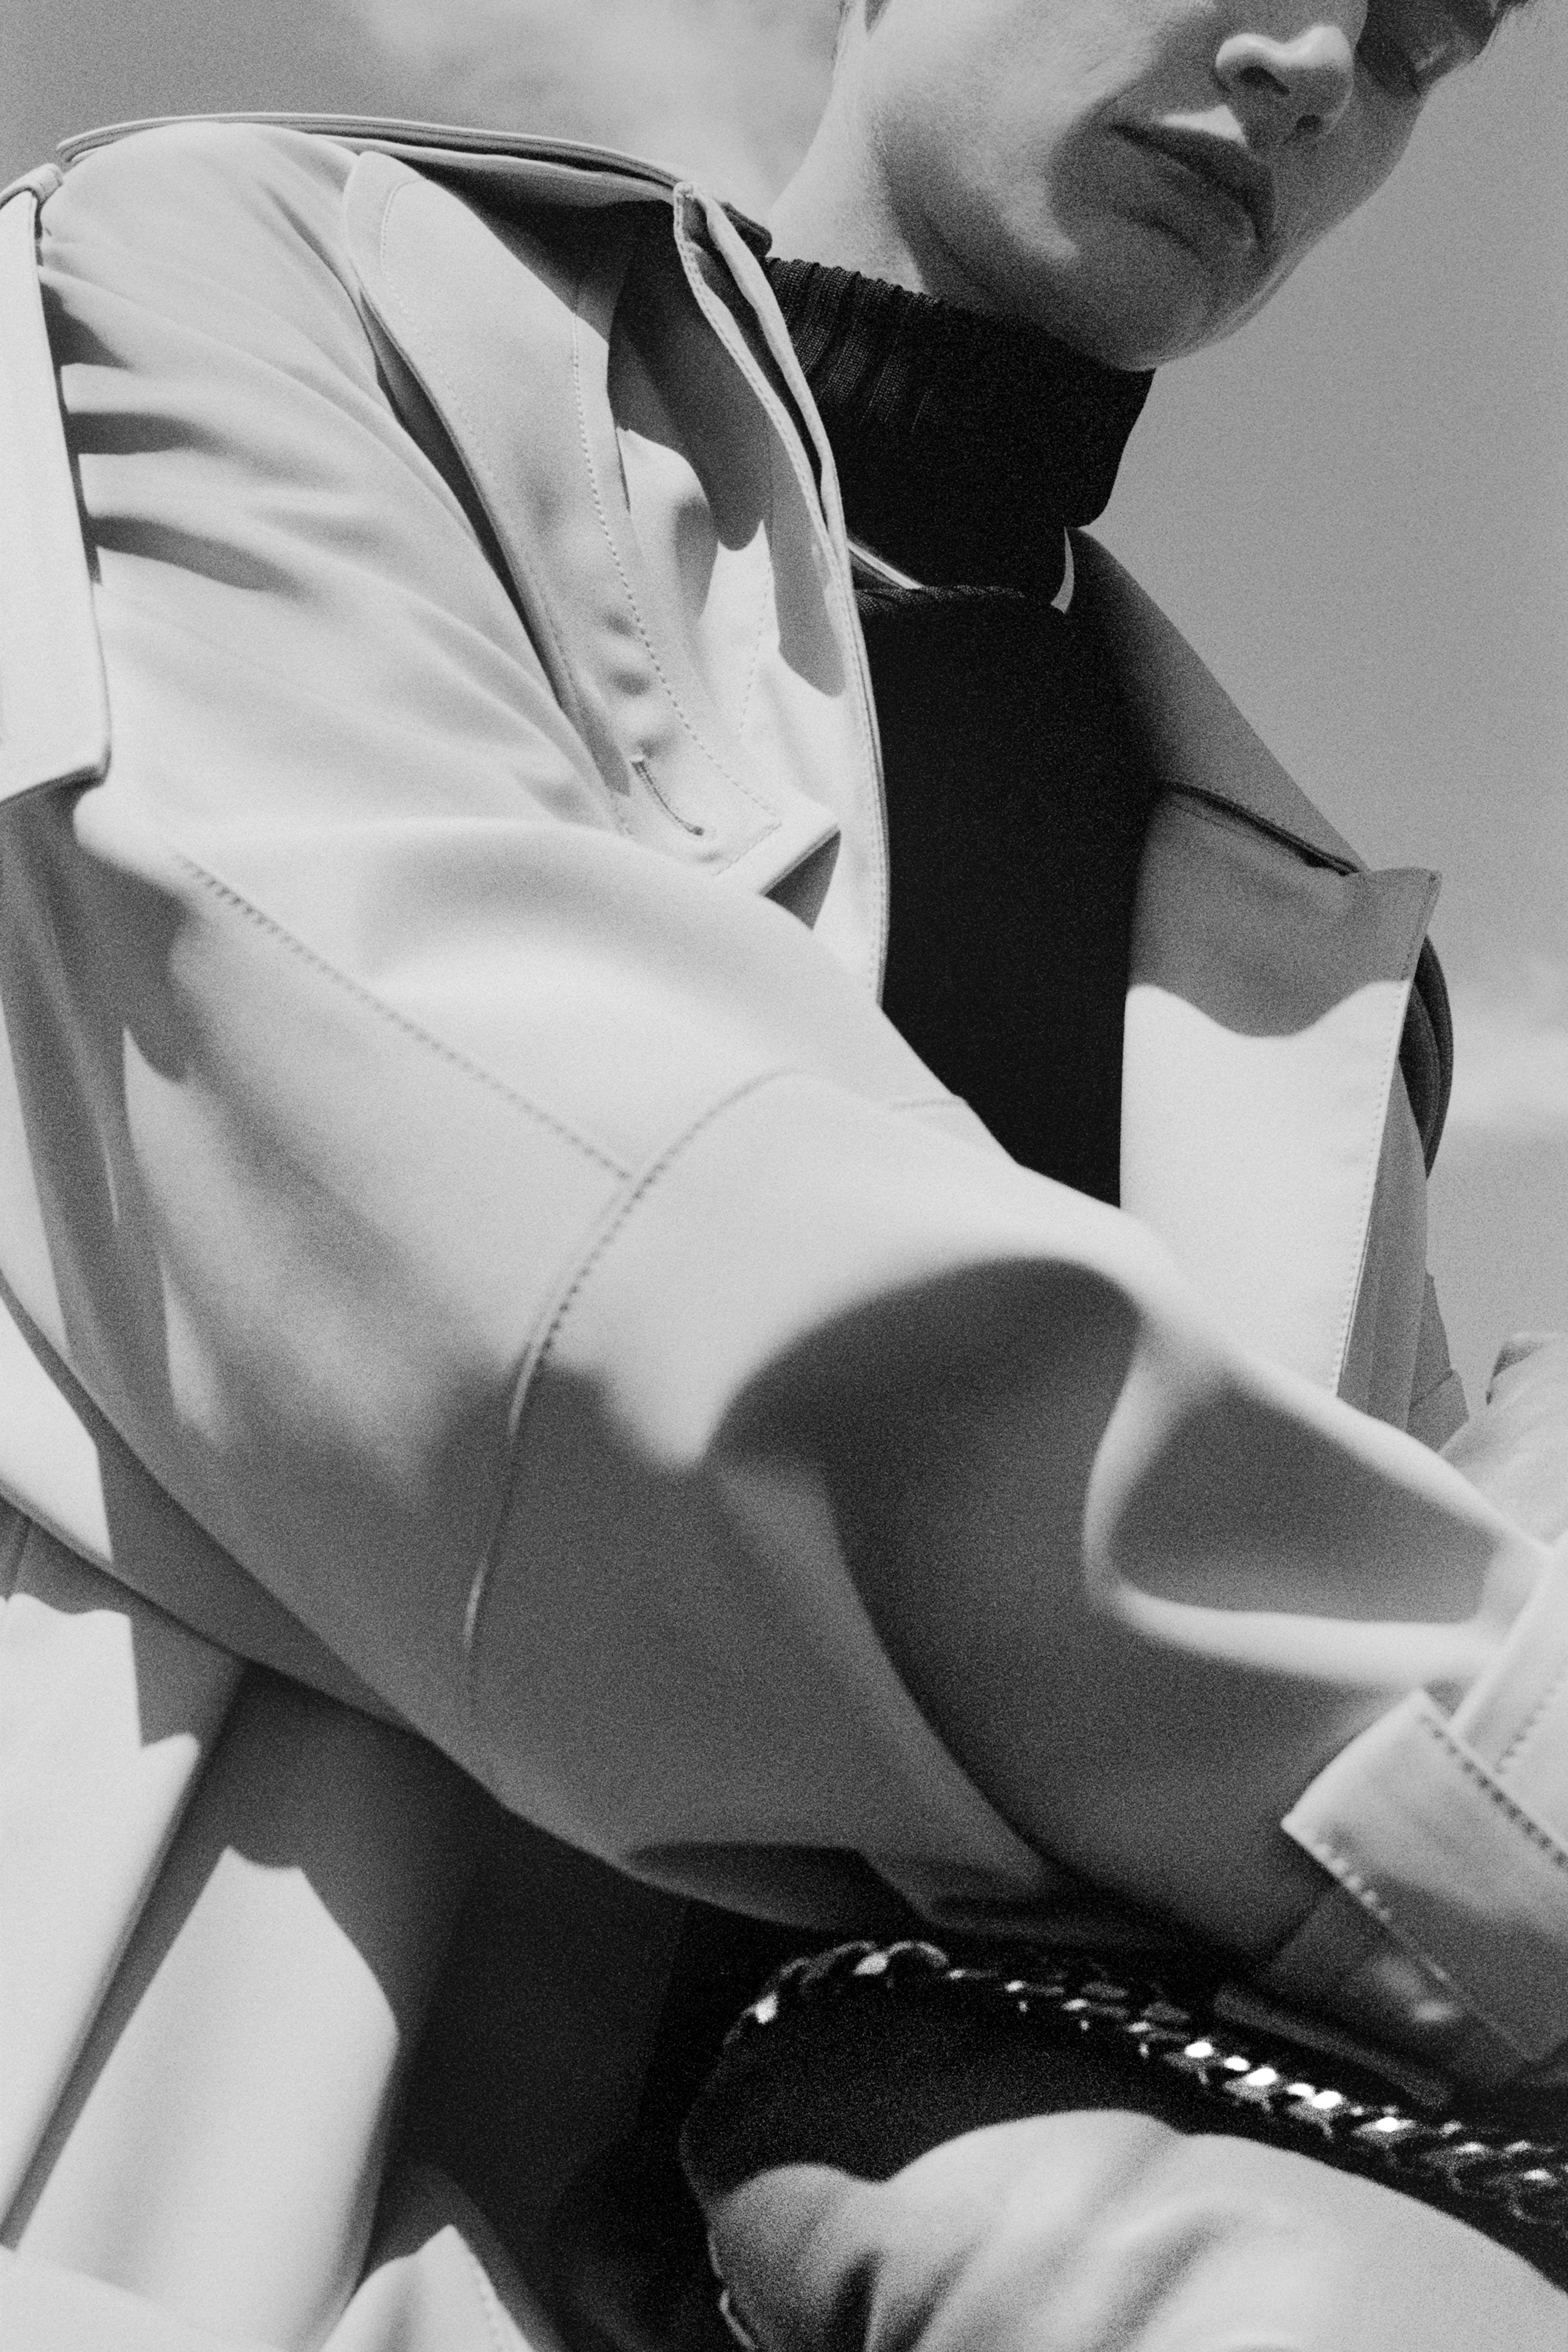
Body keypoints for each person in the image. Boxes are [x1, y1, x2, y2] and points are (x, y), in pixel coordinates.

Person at [1, 0, 1566, 2343]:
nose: (1316, 63)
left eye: (1430, 38)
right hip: (226, 2230)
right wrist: (1502, 1784)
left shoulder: (1313, 949)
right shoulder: (222, 280)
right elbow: (581, 1294)